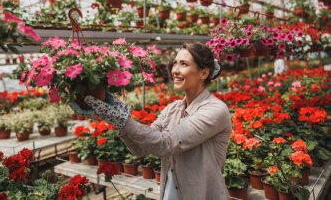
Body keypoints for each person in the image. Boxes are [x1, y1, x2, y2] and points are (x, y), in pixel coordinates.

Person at [70, 42, 231, 200]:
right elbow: (141, 150)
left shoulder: (215, 110)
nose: (175, 70)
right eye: (175, 63)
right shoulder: (173, 108)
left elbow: (166, 143)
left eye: (183, 64)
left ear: (203, 73)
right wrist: (118, 120)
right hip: (170, 191)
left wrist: (124, 120)